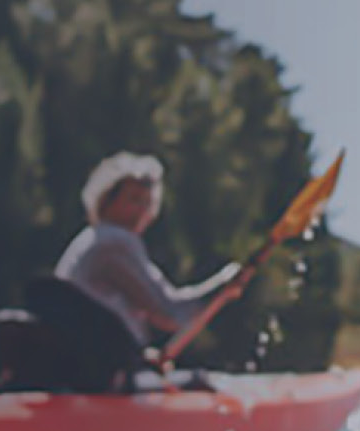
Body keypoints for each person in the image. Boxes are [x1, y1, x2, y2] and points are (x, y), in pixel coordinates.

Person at [29, 152, 243, 388]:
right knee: (199, 384)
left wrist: (142, 356)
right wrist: (223, 285)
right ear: (106, 201)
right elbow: (169, 313)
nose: (142, 211)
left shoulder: (93, 239)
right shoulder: (114, 242)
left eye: (147, 202)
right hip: (100, 381)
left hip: (96, 370)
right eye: (134, 200)